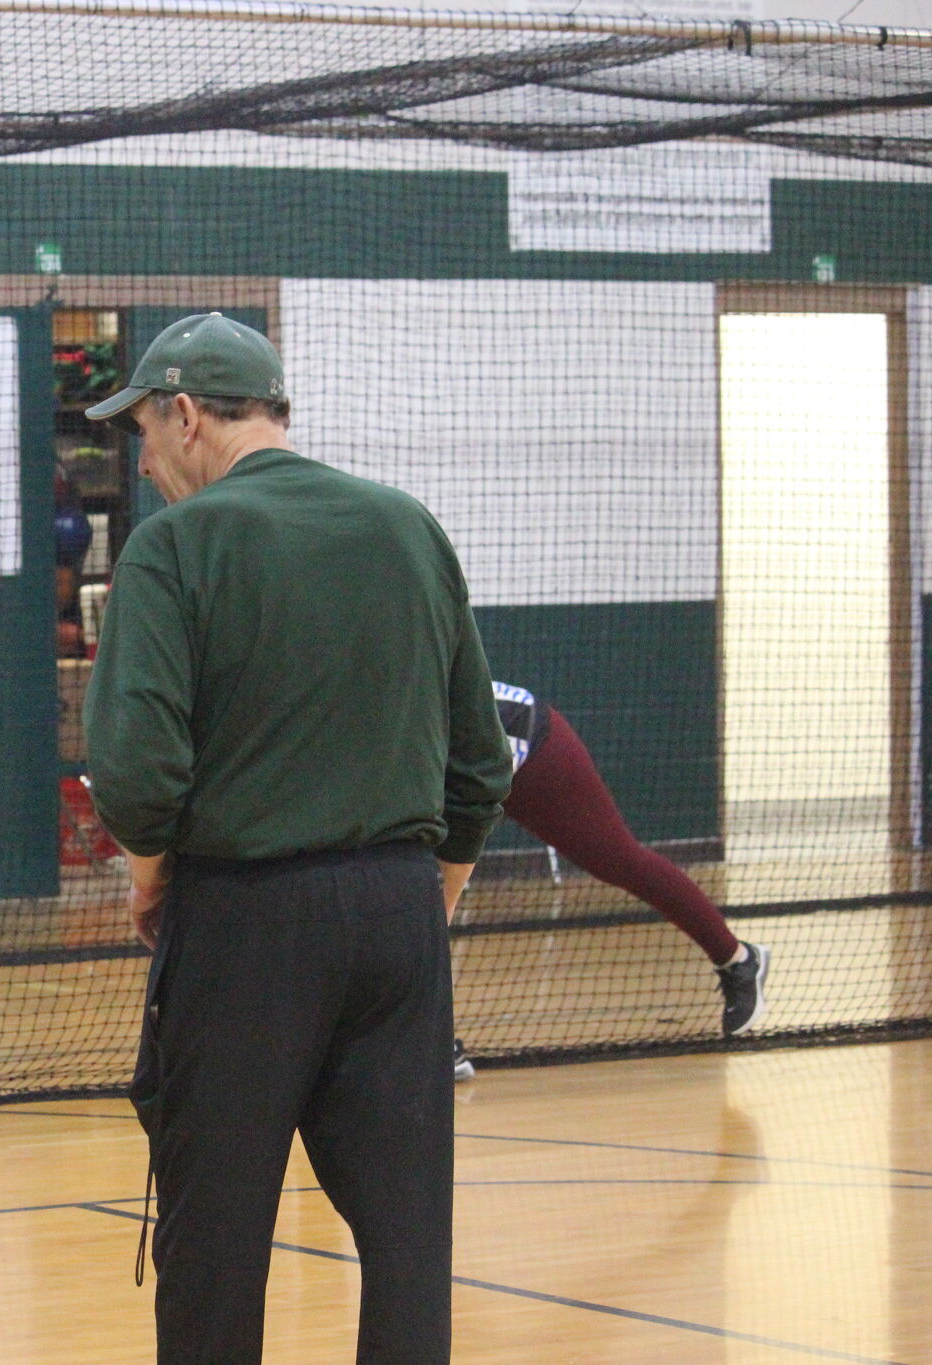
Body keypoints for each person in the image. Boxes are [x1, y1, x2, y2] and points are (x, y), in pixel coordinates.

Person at [82, 313, 510, 1364]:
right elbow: (479, 764)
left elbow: (137, 780)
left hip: (244, 923)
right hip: (400, 917)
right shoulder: (407, 526)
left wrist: (150, 876)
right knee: (407, 1244)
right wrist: (425, 900)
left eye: (140, 429)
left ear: (185, 414)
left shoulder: (173, 547)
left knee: (216, 1242)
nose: (140, 459)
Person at [451, 683, 769, 1081]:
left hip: (527, 745)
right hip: (461, 769)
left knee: (619, 860)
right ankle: (425, 1036)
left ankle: (738, 960)